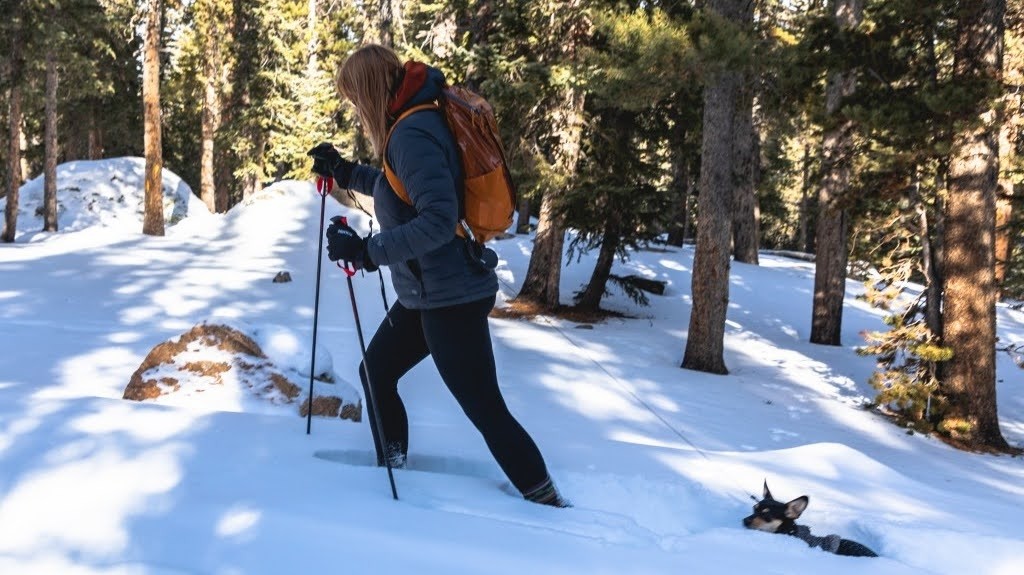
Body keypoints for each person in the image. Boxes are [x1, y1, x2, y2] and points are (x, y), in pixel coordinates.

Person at [308, 44, 568, 508]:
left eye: (354, 98)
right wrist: (346, 172)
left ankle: (546, 501)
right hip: (427, 292)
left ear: (369, 92)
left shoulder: (411, 133)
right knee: (377, 372)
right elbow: (396, 188)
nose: (355, 109)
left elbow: (436, 220)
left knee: (484, 407)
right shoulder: (411, 122)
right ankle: (393, 472)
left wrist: (367, 252)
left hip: (450, 296)